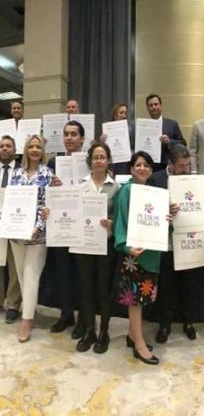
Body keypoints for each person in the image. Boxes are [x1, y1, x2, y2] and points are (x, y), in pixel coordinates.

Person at [150, 144, 204, 343]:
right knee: (166, 286)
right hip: (165, 242)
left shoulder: (193, 180)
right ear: (171, 164)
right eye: (182, 166)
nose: (185, 169)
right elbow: (149, 206)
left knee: (189, 285)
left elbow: (200, 208)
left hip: (188, 240)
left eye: (188, 165)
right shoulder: (156, 179)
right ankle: (164, 324)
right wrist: (164, 210)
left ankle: (188, 322)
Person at [114, 151, 163, 365]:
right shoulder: (126, 191)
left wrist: (166, 218)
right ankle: (139, 344)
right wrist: (126, 246)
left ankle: (132, 335)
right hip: (134, 255)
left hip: (150, 252)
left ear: (151, 170)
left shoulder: (154, 193)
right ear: (131, 169)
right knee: (135, 301)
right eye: (138, 165)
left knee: (141, 298)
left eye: (146, 165)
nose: (142, 168)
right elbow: (121, 220)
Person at [73, 142, 119, 353]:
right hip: (83, 244)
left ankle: (104, 332)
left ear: (108, 160)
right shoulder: (80, 185)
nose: (99, 161)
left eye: (102, 157)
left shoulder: (116, 187)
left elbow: (119, 215)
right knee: (86, 286)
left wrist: (112, 223)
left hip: (105, 244)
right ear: (90, 161)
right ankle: (89, 330)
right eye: (95, 157)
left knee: (103, 287)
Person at [10, 135, 54, 342]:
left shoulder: (48, 174)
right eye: (31, 146)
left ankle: (26, 320)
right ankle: (30, 310)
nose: (35, 149)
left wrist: (38, 227)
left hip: (38, 236)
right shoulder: (16, 174)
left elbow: (47, 207)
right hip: (17, 234)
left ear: (42, 151)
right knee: (21, 276)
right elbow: (10, 202)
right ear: (26, 150)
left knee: (31, 276)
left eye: (38, 146)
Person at [47, 120, 85, 338]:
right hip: (61, 224)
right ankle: (66, 314)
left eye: (74, 134)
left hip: (83, 224)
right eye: (66, 134)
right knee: (63, 271)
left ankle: (84, 318)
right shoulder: (54, 162)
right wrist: (53, 187)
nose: (69, 138)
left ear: (82, 138)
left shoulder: (89, 161)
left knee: (82, 273)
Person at [0, 135, 22, 323]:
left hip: (16, 222)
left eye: (9, 146)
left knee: (15, 265)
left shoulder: (22, 171)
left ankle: (13, 304)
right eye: (2, 146)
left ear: (15, 150)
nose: (5, 148)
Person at [145, 93, 186, 171]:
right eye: (150, 105)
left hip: (167, 166)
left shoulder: (172, 124)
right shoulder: (143, 126)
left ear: (161, 106)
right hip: (149, 166)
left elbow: (183, 144)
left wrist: (169, 142)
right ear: (147, 108)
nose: (153, 107)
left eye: (156, 104)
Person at [101, 103, 134, 175]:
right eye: (121, 113)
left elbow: (133, 148)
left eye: (125, 113)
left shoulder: (130, 130)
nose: (124, 116)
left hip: (125, 165)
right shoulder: (107, 129)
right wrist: (102, 142)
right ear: (115, 115)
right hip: (111, 165)